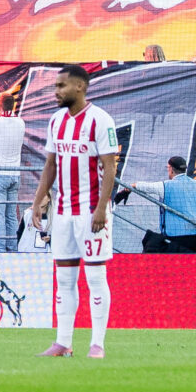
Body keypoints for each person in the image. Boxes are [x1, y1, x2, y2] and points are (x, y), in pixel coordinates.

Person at [30, 62, 117, 359]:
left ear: (80, 86)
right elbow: (51, 164)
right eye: (56, 86)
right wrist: (39, 200)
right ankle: (63, 342)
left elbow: (110, 166)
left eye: (61, 86)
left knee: (95, 278)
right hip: (64, 213)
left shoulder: (100, 120)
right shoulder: (56, 121)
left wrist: (101, 209)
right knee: (64, 279)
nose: (56, 91)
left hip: (91, 211)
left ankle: (97, 344)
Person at [124, 155, 196, 253]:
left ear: (171, 169)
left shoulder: (167, 186)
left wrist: (132, 186)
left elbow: (147, 187)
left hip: (178, 237)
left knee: (153, 243)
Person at [0, 91, 26, 251]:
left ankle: (0, 252)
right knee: (11, 216)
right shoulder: (21, 122)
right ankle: (12, 248)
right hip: (14, 175)